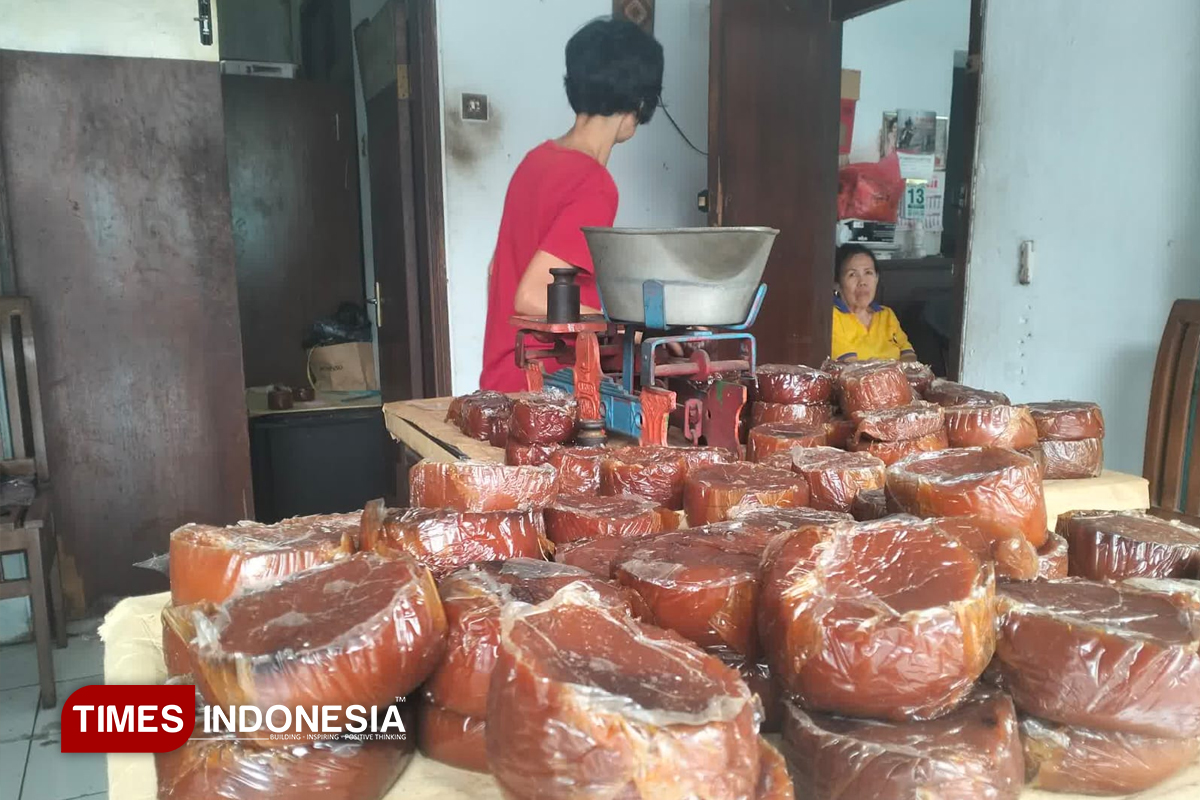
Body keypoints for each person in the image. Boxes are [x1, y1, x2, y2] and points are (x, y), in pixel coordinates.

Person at [478, 18, 664, 392]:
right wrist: (625, 329)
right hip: (545, 392)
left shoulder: (536, 160)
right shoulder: (595, 184)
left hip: (502, 380)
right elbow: (531, 296)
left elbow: (495, 269)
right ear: (639, 103)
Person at [831, 243, 916, 362]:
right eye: (852, 274)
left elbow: (908, 355)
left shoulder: (886, 314)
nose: (862, 282)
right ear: (837, 284)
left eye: (868, 273)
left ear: (876, 278)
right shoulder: (833, 317)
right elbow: (851, 365)